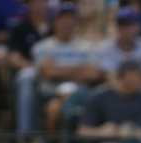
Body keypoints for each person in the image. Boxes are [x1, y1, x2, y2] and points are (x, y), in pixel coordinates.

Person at [32, 2, 103, 132]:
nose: (67, 23)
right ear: (54, 22)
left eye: (71, 19)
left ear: (76, 22)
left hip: (82, 94)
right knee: (53, 108)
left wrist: (60, 69)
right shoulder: (42, 46)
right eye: (62, 18)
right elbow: (49, 73)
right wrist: (80, 69)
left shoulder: (87, 46)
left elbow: (93, 74)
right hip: (52, 93)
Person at [7, 0, 51, 137]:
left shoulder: (54, 27)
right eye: (36, 2)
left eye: (43, 2)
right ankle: (25, 136)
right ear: (29, 5)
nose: (40, 5)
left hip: (55, 76)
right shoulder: (20, 28)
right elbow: (13, 58)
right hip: (31, 74)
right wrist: (37, 68)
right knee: (27, 76)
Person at [97, 7, 141, 79]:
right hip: (115, 89)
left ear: (139, 26)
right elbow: (110, 78)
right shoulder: (107, 48)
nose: (126, 29)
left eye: (130, 25)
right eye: (122, 25)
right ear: (117, 27)